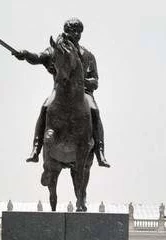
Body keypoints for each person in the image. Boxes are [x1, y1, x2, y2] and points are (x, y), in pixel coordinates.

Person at [10, 17, 111, 167]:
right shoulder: (55, 50)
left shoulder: (88, 56)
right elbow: (38, 57)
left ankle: (100, 152)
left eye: (78, 31)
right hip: (60, 91)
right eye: (72, 30)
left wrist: (83, 81)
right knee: (45, 107)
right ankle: (36, 148)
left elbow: (95, 81)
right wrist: (24, 54)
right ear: (66, 31)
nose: (75, 34)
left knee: (94, 111)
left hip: (83, 93)